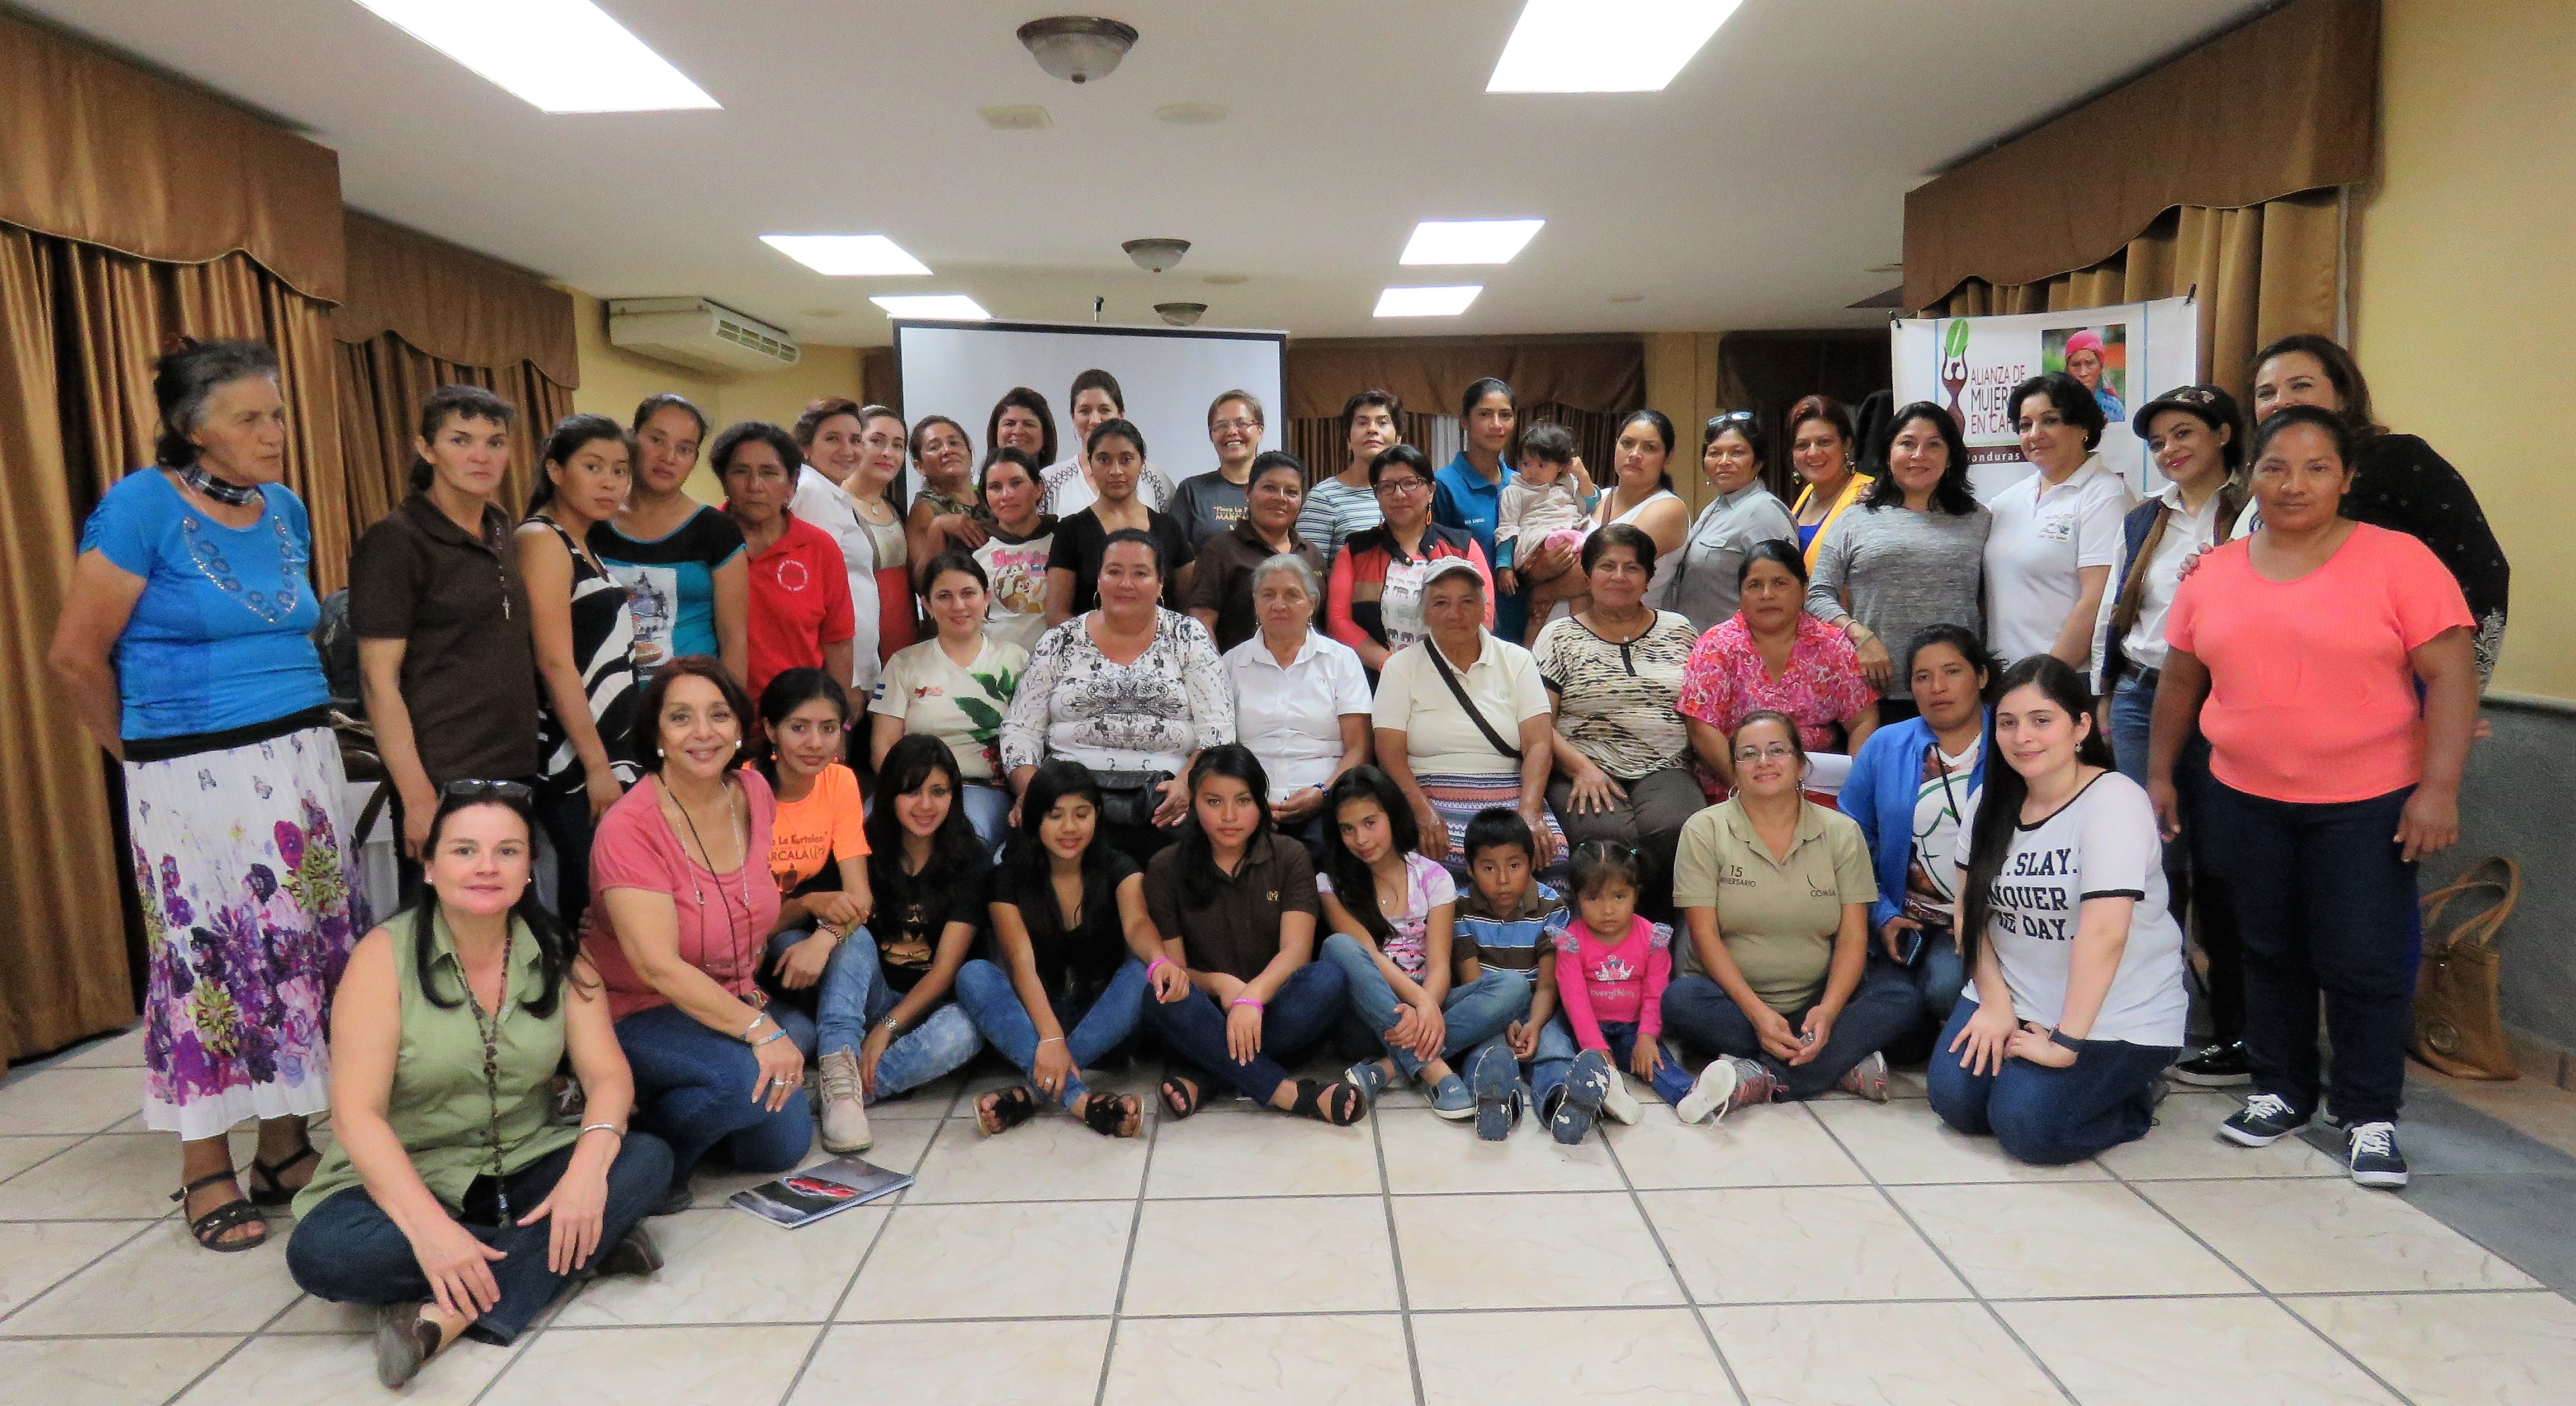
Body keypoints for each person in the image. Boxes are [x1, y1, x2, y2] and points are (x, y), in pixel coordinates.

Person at [49, 338, 368, 1251]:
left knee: (303, 957)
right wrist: (141, 755)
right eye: (250, 419)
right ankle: (203, 1166)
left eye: (276, 414)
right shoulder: (140, 506)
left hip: (302, 759)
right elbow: (75, 657)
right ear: (194, 430)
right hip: (191, 771)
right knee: (210, 964)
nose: (275, 433)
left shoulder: (285, 510)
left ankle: (284, 1147)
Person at [2150, 406, 2478, 1188]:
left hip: (2366, 800)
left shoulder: (2397, 561)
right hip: (2240, 794)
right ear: (2248, 475)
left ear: (2346, 477)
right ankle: (2281, 1088)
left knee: (2361, 957)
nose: (2292, 484)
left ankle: (2367, 1113)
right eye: (2275, 467)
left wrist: (2436, 789)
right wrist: (2160, 773)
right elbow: (2177, 679)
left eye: (2315, 467)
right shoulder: (2215, 570)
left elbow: (2452, 676)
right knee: (2266, 949)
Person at [287, 785, 669, 1388]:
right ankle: (574, 1251)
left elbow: (608, 1077)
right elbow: (357, 1116)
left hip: (523, 1162)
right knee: (323, 1253)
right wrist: (432, 1230)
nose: (487, 866)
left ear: (527, 870)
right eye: (465, 850)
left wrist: (586, 1175)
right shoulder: (382, 958)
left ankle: (445, 1314)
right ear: (432, 867)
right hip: (406, 1177)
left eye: (507, 851)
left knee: (647, 1159)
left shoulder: (562, 954)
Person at [1931, 656, 2187, 1166]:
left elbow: (2105, 935)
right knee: (1957, 1104)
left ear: (2081, 726)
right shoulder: (1989, 801)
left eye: (2040, 720)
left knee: (2028, 1129)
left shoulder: (2113, 801)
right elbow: (1969, 915)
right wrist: (1995, 1002)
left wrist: (2066, 1041)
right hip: (2017, 994)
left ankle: (2134, 1097)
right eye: (2008, 722)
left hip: (2113, 1014)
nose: (2022, 736)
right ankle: (2050, 1076)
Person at [585, 659, 806, 1208]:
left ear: (738, 727)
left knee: (779, 1146)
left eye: (718, 715)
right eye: (681, 718)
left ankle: (696, 1097)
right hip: (635, 1008)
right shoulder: (630, 827)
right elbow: (657, 966)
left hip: (723, 999)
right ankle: (648, 1154)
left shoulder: (754, 792)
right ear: (656, 734)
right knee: (746, 1084)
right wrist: (759, 1029)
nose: (703, 733)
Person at [2097, 385, 2249, 1086]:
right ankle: (2160, 1012)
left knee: (2218, 862)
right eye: (2158, 442)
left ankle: (2235, 1028)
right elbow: (2117, 606)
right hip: (2139, 696)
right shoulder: (2145, 519)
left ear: (2222, 434)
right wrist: (2103, 691)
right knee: (2152, 860)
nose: (2169, 450)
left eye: (2183, 433)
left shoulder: (2249, 510)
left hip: (2224, 703)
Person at [1664, 712, 1914, 1122]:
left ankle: (1761, 1074)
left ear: (1801, 763)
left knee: (1902, 998)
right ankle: (1840, 1061)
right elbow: (1703, 937)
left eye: (1777, 750)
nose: (1763, 761)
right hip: (1732, 1003)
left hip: (1817, 1000)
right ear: (1734, 768)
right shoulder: (1703, 829)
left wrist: (1830, 1011)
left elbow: (1853, 937)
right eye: (1748, 753)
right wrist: (1758, 1014)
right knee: (1680, 1002)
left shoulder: (1840, 832)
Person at [352, 385, 543, 877]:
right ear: (426, 449)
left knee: (510, 927)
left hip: (516, 764)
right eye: (461, 440)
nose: (481, 456)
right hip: (441, 774)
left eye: (495, 442)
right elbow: (378, 681)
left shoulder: (501, 526)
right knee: (440, 934)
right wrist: (417, 797)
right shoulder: (395, 541)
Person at [2249, 333, 2509, 682]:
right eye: (2266, 393)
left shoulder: (2397, 457)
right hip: (2284, 674)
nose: (2281, 401)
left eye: (2301, 386)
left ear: (2342, 396)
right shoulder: (2259, 476)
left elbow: (2481, 566)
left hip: (2391, 676)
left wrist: (2454, 686)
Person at [1141, 751, 1365, 1125]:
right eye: (1214, 802)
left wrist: (1252, 996)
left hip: (1272, 1006)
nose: (1229, 816)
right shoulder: (1166, 865)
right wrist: (1223, 984)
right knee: (1158, 993)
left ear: (1261, 804)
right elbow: (1176, 970)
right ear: (1194, 803)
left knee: (1328, 979)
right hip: (1208, 1009)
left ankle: (1209, 1074)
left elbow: (1296, 950)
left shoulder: (1290, 855)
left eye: (1243, 801)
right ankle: (1290, 1093)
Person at [1005, 529, 1235, 869]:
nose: (1125, 584)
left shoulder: (1189, 636)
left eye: (1140, 573)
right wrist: (1033, 791)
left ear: (1160, 585)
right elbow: (1021, 729)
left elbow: (1218, 728)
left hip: (1167, 797)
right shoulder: (1060, 640)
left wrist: (1187, 785)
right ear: (1098, 581)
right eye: (1114, 572)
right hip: (1069, 796)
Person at [956, 760, 1159, 1138]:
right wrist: (1050, 1037)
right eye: (1055, 816)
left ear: (1097, 815)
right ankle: (1084, 1102)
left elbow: (1137, 924)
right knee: (973, 975)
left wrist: (1161, 961)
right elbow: (1021, 963)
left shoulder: (1119, 866)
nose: (1069, 828)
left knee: (1141, 975)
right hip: (1032, 1023)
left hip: (1100, 1021)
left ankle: (1030, 1094)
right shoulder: (1007, 878)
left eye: (1081, 814)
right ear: (1034, 819)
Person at [1316, 768, 1524, 1119]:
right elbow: (1367, 955)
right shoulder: (1331, 883)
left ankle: (1384, 1070)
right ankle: (1436, 1072)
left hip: (1429, 1004)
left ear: (1393, 816)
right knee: (1338, 947)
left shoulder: (1433, 876)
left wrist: (1427, 1005)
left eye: (1370, 822)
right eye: (1347, 829)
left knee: (1514, 986)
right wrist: (1419, 1003)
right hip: (1367, 1014)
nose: (1361, 839)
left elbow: (1441, 963)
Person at [1533, 526, 1701, 917]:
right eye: (1607, 565)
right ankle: (1607, 946)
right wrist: (1582, 768)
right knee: (1609, 840)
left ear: (1648, 577)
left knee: (1679, 827)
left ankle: (1657, 931)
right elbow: (1539, 722)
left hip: (1666, 766)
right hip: (1581, 766)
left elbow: (1701, 707)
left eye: (1631, 567)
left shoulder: (1679, 629)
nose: (1619, 576)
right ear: (1588, 575)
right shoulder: (1558, 635)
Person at [517, 414, 645, 931]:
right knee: (593, 893)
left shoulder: (585, 541)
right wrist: (595, 765)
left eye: (619, 471)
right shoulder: (543, 538)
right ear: (555, 469)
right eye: (593, 467)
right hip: (576, 753)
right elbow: (552, 660)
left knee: (620, 884)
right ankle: (586, 1003)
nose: (609, 482)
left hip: (613, 745)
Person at [1838, 626, 1993, 1042]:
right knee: (1895, 1015)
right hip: (1902, 919)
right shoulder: (1886, 744)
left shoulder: (2014, 739)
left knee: (1942, 992)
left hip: (1986, 922)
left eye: (1951, 672)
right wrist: (1882, 913)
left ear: (1981, 676)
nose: (1937, 688)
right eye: (1922, 677)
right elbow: (1848, 840)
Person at [1371, 557, 1564, 875]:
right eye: (1441, 602)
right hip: (1428, 790)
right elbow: (1389, 754)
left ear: (1483, 609)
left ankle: (1537, 925)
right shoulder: (1400, 667)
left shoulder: (1517, 660)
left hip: (1511, 788)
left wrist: (1529, 812)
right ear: (1426, 612)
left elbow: (1539, 743)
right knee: (1431, 861)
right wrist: (1422, 812)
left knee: (1548, 855)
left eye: (1467, 602)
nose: (1454, 614)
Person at [749, 668, 875, 1152]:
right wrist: (804, 903)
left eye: (829, 728)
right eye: (799, 727)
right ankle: (835, 1073)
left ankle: (842, 1082)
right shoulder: (743, 788)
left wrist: (822, 937)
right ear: (771, 729)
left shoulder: (839, 782)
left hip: (803, 953)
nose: (815, 742)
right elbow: (742, 925)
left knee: (850, 935)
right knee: (796, 1033)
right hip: (750, 966)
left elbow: (859, 897)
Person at [1805, 402, 1991, 722]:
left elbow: (1989, 601)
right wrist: (1860, 637)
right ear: (1889, 452)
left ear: (1950, 458)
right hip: (1876, 691)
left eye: (1934, 445)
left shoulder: (1978, 519)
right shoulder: (1855, 518)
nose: (1919, 455)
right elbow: (1817, 594)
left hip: (1958, 691)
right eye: (1907, 443)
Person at [839, 736, 989, 1108]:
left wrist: (886, 1029)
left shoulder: (970, 857)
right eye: (912, 791)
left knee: (963, 1032)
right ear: (890, 794)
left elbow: (944, 972)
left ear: (954, 795)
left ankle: (847, 1094)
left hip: (933, 1004)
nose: (926, 805)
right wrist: (877, 1023)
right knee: (851, 940)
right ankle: (840, 1071)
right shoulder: (864, 847)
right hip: (872, 995)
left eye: (938, 791)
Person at [1678, 541, 1879, 789]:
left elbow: (1862, 721)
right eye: (1754, 585)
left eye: (1780, 583)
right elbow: (1702, 729)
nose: (1767, 595)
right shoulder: (1716, 646)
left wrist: (1856, 786)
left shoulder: (1832, 645)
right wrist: (1745, 790)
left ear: (1804, 590)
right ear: (1740, 595)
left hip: (1818, 784)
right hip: (1733, 785)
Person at [870, 552, 1029, 849]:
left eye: (968, 594)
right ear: (927, 605)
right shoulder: (904, 663)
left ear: (986, 598)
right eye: (944, 596)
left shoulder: (1016, 660)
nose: (958, 606)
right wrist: (913, 795)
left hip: (982, 790)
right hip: (912, 789)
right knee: (868, 836)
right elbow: (884, 746)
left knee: (966, 840)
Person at [1221, 554, 1372, 859]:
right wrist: (1251, 800)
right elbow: (1223, 748)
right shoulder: (1231, 664)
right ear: (1255, 603)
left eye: (1292, 595)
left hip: (1327, 801)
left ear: (1312, 603)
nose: (1279, 605)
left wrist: (1323, 792)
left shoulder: (1341, 661)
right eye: (1268, 595)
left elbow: (1358, 748)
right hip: (1247, 805)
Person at [1983, 372, 2136, 671]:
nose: (2034, 434)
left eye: (2050, 420)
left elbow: (2097, 603)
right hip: (2006, 680)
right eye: (2025, 425)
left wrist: (2047, 679)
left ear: (2083, 428)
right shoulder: (2007, 501)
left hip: (2065, 681)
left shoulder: (2104, 494)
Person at [593, 394, 746, 684]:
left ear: (694, 459)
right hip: (604, 701)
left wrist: (732, 712)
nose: (668, 457)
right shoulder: (594, 521)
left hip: (690, 704)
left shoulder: (717, 531)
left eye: (684, 449)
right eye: (657, 440)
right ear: (632, 438)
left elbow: (734, 639)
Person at [1543, 844, 1689, 1144]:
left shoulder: (1652, 938)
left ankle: (1691, 1096)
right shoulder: (1572, 941)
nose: (1607, 909)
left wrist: (1647, 1036)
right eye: (1594, 898)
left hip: (1634, 1028)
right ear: (1578, 898)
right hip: (1583, 1030)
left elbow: (1655, 991)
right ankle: (1591, 1097)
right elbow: (1574, 998)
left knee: (1658, 1064)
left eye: (1619, 896)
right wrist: (1595, 1046)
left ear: (1636, 893)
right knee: (1561, 1057)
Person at [1450, 809, 1577, 1140]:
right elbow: (1473, 982)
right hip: (1488, 1009)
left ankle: (1562, 1103)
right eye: (1489, 868)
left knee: (1554, 1047)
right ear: (1470, 870)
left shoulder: (1552, 908)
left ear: (1532, 863)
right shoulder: (1459, 909)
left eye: (1514, 865)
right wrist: (1504, 1020)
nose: (1503, 879)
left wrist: (1534, 1024)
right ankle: (1498, 1103)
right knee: (1486, 1053)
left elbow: (1549, 985)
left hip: (1539, 1008)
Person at [717, 420, 855, 708]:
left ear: (792, 483)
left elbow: (838, 641)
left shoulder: (820, 548)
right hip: (716, 719)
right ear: (724, 481)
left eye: (769, 473)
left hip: (798, 721)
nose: (755, 486)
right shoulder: (701, 539)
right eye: (741, 472)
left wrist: (837, 722)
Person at [1327, 444, 1495, 672]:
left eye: (1410, 483)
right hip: (1377, 682)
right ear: (1376, 494)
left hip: (1456, 675)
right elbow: (1338, 621)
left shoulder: (1463, 546)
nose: (1399, 494)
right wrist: (1390, 665)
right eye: (1387, 486)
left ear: (1431, 491)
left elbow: (1484, 613)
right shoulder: (1355, 551)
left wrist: (1442, 666)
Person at [1532, 410, 1686, 623]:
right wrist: (1543, 568)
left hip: (1621, 637)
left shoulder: (1668, 509)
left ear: (1668, 457)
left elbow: (1604, 567)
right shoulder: (1596, 497)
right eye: (1627, 443)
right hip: (1558, 634)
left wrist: (1542, 592)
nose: (1635, 454)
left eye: (1649, 448)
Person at [1045, 419, 1197, 620]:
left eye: (1126, 459)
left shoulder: (1169, 528)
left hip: (1162, 648)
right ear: (1090, 463)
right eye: (1104, 460)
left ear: (1142, 462)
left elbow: (1191, 606)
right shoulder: (1070, 531)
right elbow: (1057, 614)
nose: (1115, 471)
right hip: (1088, 648)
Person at [787, 397, 888, 693]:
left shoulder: (831, 493)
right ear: (806, 446)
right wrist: (848, 682)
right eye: (832, 439)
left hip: (854, 665)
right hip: (840, 673)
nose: (847, 450)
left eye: (855, 440)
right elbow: (819, 596)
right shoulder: (813, 494)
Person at [1666, 411, 1794, 635]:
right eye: (1714, 453)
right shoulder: (1716, 506)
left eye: (1737, 453)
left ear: (1758, 462)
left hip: (1741, 654)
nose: (1724, 462)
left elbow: (1781, 595)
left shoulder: (1764, 511)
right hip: (1701, 648)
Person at [1187, 451, 1322, 653]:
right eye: (1270, 488)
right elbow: (1202, 623)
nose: (1281, 498)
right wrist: (1218, 676)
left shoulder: (1311, 554)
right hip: (1239, 676)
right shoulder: (1220, 551)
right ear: (1248, 492)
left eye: (1292, 492)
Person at [1432, 377, 1529, 640]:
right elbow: (1439, 566)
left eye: (1505, 415)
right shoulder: (1444, 486)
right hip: (1471, 629)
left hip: (1529, 623)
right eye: (1485, 415)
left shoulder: (1526, 483)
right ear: (1465, 422)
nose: (1497, 425)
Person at [1491, 423, 1594, 645]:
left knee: (1575, 594)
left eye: (1541, 464)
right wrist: (1504, 567)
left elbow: (1590, 505)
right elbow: (1507, 528)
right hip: (1536, 547)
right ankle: (1530, 657)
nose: (1531, 471)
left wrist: (1582, 475)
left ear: (1561, 467)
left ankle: (1577, 643)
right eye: (1525, 463)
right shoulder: (1515, 490)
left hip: (1570, 544)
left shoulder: (1568, 484)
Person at [1042, 368, 1175, 515]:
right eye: (1085, 411)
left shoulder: (1156, 480)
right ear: (1073, 417)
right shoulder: (1050, 482)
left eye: (1104, 410)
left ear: (1121, 415)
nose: (1094, 421)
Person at [970, 446, 1060, 654]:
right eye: (995, 487)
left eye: (1016, 483)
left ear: (1038, 488)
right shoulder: (975, 547)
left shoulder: (1063, 540)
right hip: (994, 669)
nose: (1006, 494)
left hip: (1052, 665)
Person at [1297, 389, 1398, 569]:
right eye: (1363, 423)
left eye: (1382, 423)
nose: (1372, 429)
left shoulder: (1408, 494)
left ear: (1398, 439)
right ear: (1349, 440)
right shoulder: (1323, 497)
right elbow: (1306, 574)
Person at [1167, 388, 1266, 548]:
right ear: (1211, 436)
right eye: (1221, 426)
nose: (1232, 432)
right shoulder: (1192, 491)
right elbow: (1175, 555)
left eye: (1241, 423)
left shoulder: (1277, 491)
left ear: (1260, 432)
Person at [1785, 395, 1873, 568]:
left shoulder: (1869, 496)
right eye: (1802, 445)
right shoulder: (1807, 494)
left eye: (1824, 442)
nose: (1813, 453)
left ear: (1847, 444)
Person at [906, 414, 990, 577]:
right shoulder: (924, 509)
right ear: (920, 466)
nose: (947, 451)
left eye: (954, 443)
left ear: (970, 455)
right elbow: (922, 584)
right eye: (934, 447)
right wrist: (938, 528)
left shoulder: (990, 496)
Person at [986, 386, 1059, 472]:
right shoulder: (978, 485)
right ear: (995, 432)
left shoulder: (1061, 483)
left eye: (1028, 425)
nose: (1018, 431)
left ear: (1045, 434)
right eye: (1010, 424)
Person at [2062, 330, 2125, 423]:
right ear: (2067, 369)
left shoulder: (2113, 408)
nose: (2083, 373)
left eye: (2090, 363)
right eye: (2076, 365)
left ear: (2101, 367)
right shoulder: (2056, 406)